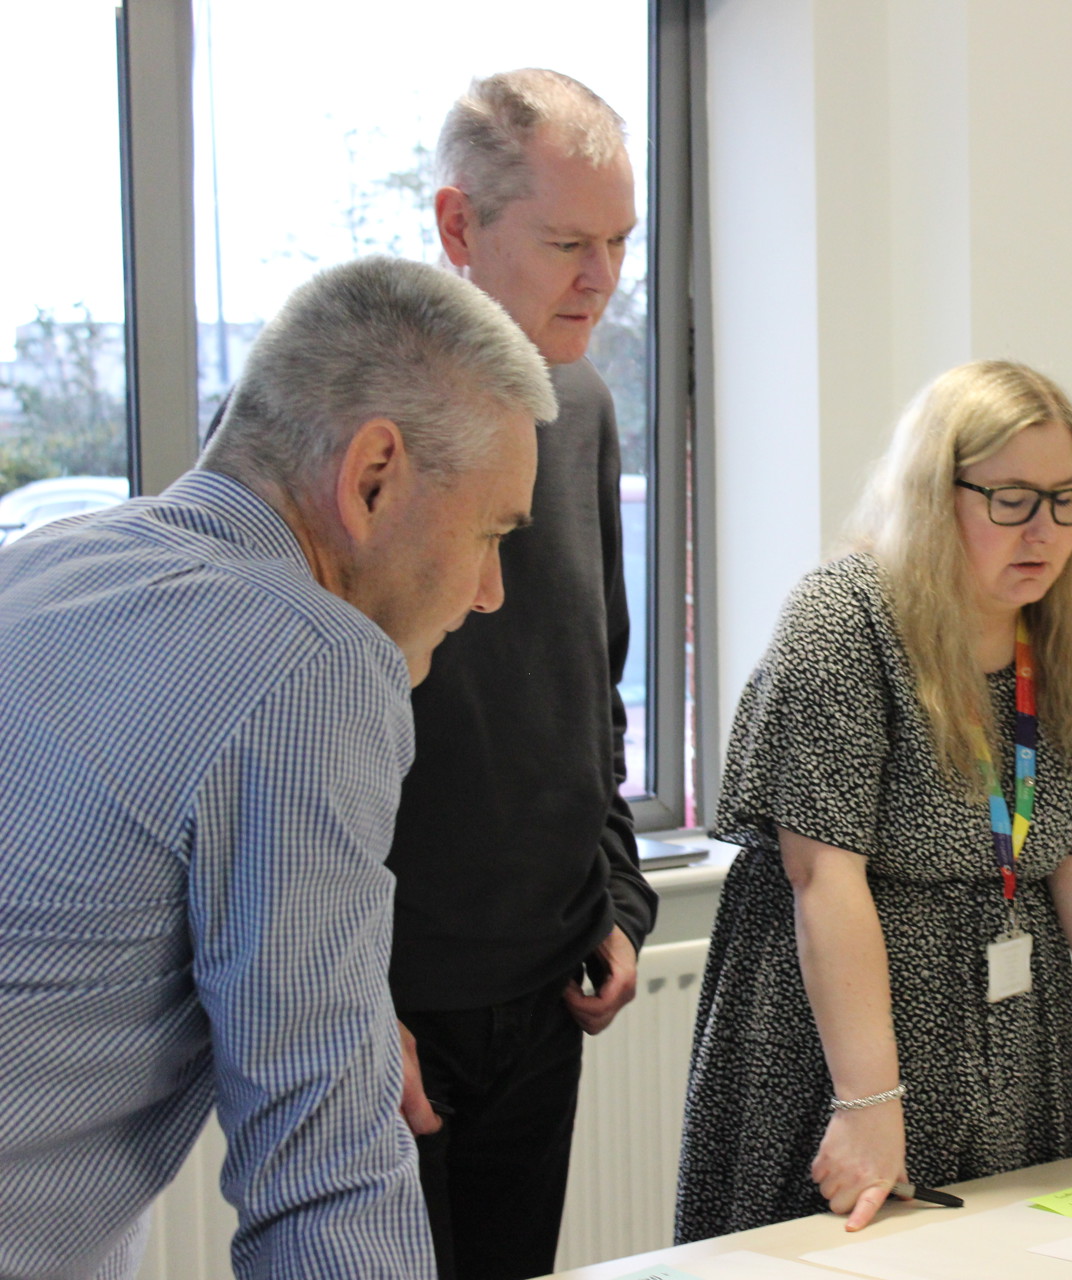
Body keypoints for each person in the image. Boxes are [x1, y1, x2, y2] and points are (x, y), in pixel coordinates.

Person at [0, 256, 551, 1279]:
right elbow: (322, 1176)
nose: (489, 592)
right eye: (490, 532)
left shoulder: (43, 563)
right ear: (373, 473)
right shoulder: (314, 662)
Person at [676, 361, 1072, 1242]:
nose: (1046, 530)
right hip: (840, 1020)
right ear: (934, 494)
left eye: (1069, 497)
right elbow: (823, 881)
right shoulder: (845, 619)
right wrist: (870, 1102)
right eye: (1012, 499)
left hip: (1014, 1013)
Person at [388, 68, 659, 1280]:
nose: (601, 277)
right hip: (386, 1003)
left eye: (618, 241)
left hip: (545, 985)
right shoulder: (347, 413)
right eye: (566, 243)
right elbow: (272, 744)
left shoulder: (586, 403)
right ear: (459, 228)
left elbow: (589, 681)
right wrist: (335, 991)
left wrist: (613, 888)